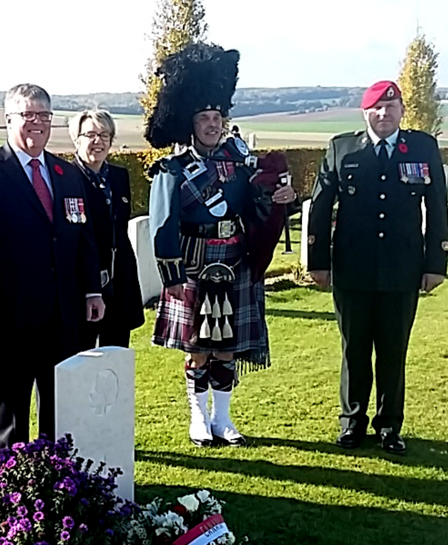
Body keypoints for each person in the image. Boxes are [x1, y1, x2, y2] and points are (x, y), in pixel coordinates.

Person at [146, 43, 297, 448]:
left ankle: (223, 417)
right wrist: (172, 275)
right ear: (190, 122)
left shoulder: (244, 160)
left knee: (227, 347)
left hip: (235, 259)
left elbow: (260, 203)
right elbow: (162, 226)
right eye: (204, 118)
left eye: (217, 117)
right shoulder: (172, 169)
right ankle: (197, 415)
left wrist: (284, 198)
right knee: (198, 348)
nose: (212, 124)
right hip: (193, 261)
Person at [0, 84, 105, 453]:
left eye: (44, 115)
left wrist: (91, 290)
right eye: (28, 115)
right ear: (8, 119)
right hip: (9, 314)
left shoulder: (65, 173)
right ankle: (10, 485)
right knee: (11, 410)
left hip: (63, 313)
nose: (36, 123)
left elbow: (81, 236)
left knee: (60, 404)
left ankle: (58, 478)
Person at [307, 80, 448, 455]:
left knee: (392, 350)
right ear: (365, 113)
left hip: (402, 268)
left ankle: (389, 425)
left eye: (392, 107)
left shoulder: (421, 147)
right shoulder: (343, 148)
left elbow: (437, 207)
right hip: (352, 269)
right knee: (354, 349)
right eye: (377, 109)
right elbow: (320, 209)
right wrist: (318, 262)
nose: (384, 114)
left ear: (402, 110)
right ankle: (351, 422)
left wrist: (436, 263)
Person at [68, 109, 144, 349]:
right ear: (76, 139)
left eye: (104, 135)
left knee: (117, 354)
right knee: (81, 356)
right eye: (90, 134)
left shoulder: (120, 177)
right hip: (80, 281)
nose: (98, 141)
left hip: (119, 281)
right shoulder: (66, 178)